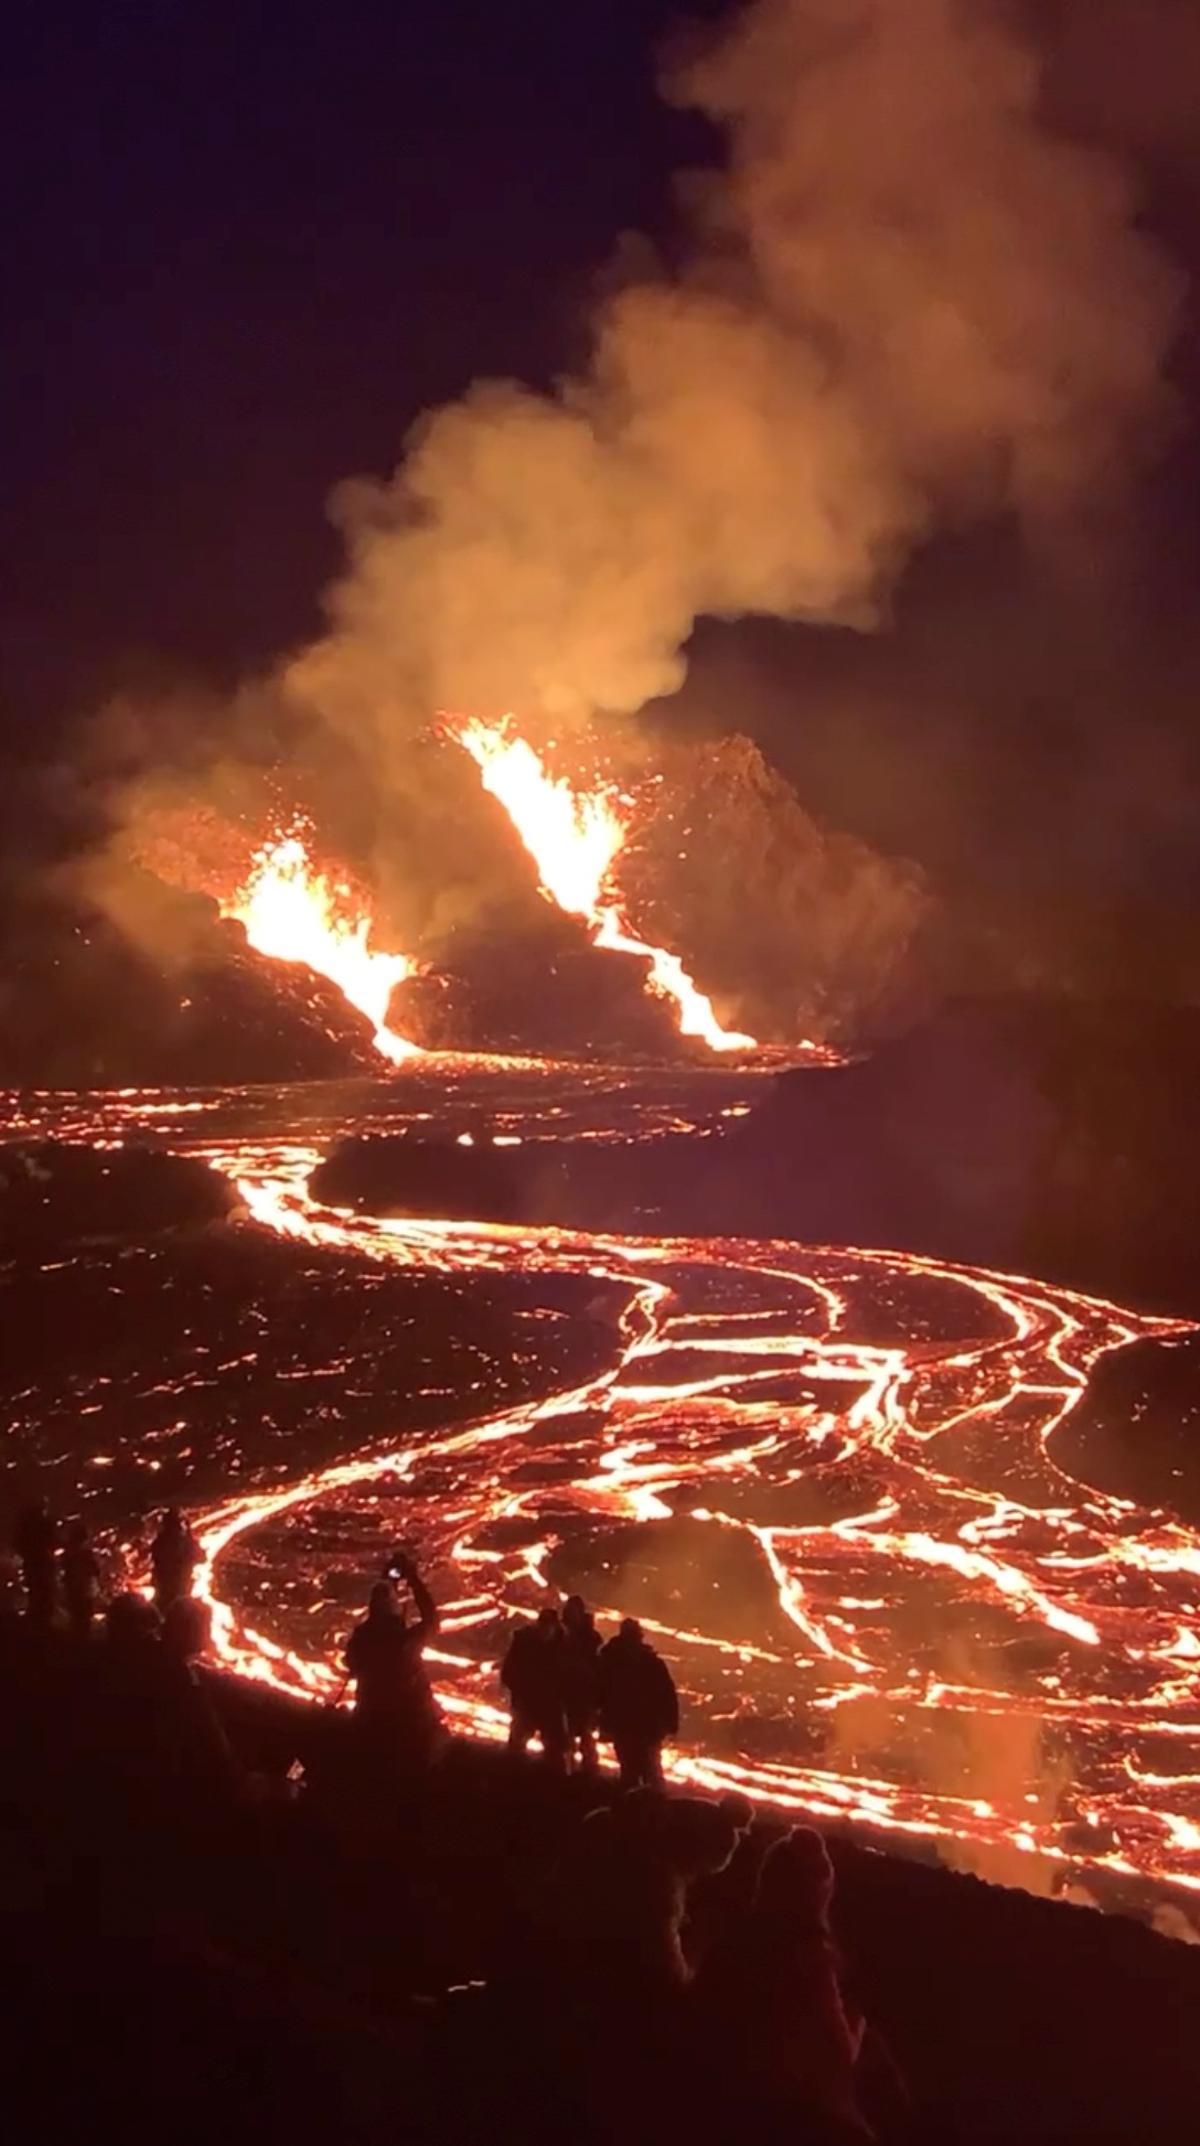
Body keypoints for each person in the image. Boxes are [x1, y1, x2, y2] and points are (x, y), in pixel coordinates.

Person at [691, 1827, 871, 2139]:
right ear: (821, 1893)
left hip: (712, 2098)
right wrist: (859, 2029)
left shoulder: (729, 1944)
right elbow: (841, 2053)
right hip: (781, 2113)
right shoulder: (811, 1959)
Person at [343, 1551, 442, 1767]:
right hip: (410, 1727)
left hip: (369, 1722)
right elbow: (432, 1620)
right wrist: (413, 1579)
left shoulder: (362, 1640)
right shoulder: (405, 1643)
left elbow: (350, 1663)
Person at [598, 1617, 678, 1789]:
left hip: (626, 1725)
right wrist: (671, 1723)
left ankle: (633, 1807)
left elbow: (599, 1692)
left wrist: (603, 1721)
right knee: (651, 1773)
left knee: (631, 1772)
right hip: (645, 1727)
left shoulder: (610, 1660)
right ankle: (654, 1808)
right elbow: (666, 1694)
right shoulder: (649, 1662)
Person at [500, 1605, 568, 1771]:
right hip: (527, 1701)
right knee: (517, 1746)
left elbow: (568, 1675)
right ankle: (511, 1778)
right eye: (543, 1626)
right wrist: (518, 1691)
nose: (545, 1631)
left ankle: (556, 1783)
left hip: (551, 1704)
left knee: (555, 1750)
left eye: (548, 1627)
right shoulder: (524, 1642)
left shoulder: (563, 1645)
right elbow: (509, 1671)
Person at [560, 1593, 602, 1774]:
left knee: (585, 1736)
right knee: (565, 1737)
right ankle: (566, 1772)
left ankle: (589, 1772)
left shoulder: (590, 1639)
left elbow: (597, 1669)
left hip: (583, 1696)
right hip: (565, 1694)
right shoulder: (561, 1634)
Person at [14, 1498, 59, 1626]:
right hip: (42, 1565)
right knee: (44, 1596)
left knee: (36, 1596)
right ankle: (42, 1626)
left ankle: (37, 1625)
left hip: (33, 1565)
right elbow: (53, 1541)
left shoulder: (25, 1528)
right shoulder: (43, 1525)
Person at [149, 1507, 199, 1612]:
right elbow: (199, 1556)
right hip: (177, 1587)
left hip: (166, 1588)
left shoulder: (159, 1542)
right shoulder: (183, 1542)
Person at [60, 1518, 102, 1640]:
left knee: (75, 1618)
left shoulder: (67, 1555)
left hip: (73, 1590)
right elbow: (95, 1571)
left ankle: (75, 1642)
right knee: (84, 1619)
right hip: (84, 1590)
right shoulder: (86, 1554)